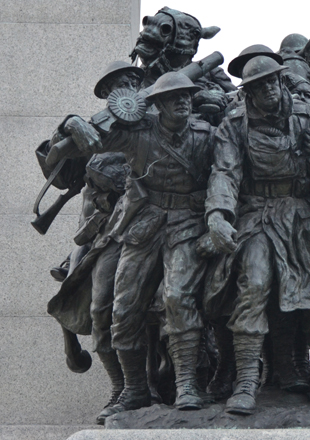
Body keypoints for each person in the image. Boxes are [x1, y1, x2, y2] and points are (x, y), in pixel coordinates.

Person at [204, 54, 310, 415]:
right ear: (248, 93)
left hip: (306, 215)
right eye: (259, 87)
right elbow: (224, 173)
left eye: (272, 83)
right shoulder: (235, 125)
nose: (269, 91)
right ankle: (245, 381)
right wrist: (218, 214)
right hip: (257, 214)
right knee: (254, 285)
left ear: (280, 81)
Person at [63, 72, 215, 415]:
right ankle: (132, 390)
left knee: (177, 298)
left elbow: (225, 173)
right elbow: (89, 146)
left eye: (187, 96)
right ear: (157, 104)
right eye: (175, 97)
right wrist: (71, 123)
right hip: (140, 227)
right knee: (122, 309)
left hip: (187, 225)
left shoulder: (207, 135)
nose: (184, 101)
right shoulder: (136, 133)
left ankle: (188, 384)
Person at [44, 61, 144, 424]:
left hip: (152, 223)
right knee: (100, 308)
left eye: (133, 80)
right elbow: (56, 166)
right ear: (107, 95)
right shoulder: (94, 128)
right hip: (104, 232)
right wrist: (69, 122)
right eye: (118, 84)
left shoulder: (159, 118)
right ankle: (121, 387)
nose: (128, 86)